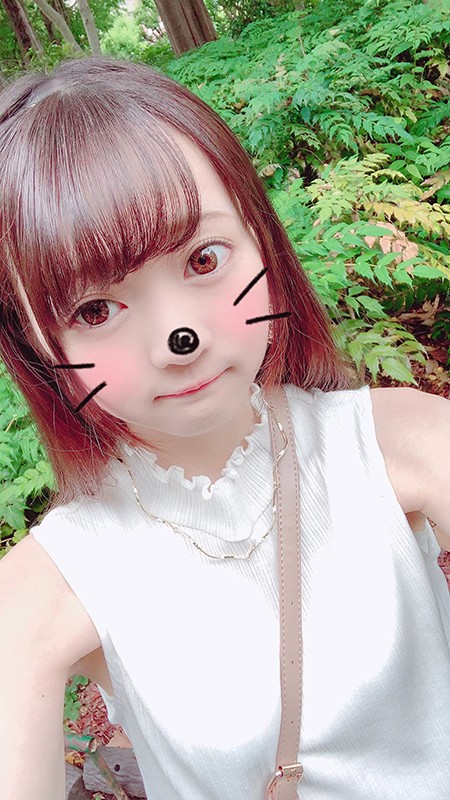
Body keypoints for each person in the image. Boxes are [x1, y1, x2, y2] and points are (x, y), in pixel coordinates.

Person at [0, 56, 448, 800]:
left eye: (204, 258)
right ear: (35, 345)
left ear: (259, 236)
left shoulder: (399, 444)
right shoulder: (47, 586)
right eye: (94, 309)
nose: (177, 338)